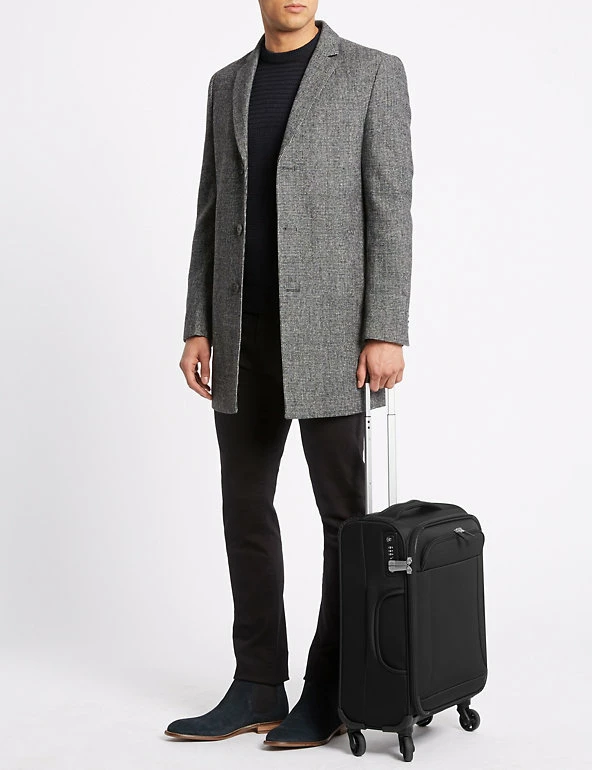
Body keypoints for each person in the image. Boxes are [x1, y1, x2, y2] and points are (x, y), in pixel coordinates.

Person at [167, 0, 413, 750]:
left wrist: (385, 328)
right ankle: (256, 684)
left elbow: (391, 207)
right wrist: (199, 322)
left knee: (344, 518)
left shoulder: (372, 73)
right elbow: (212, 210)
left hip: (333, 337)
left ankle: (331, 687)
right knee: (245, 508)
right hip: (243, 333)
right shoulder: (227, 84)